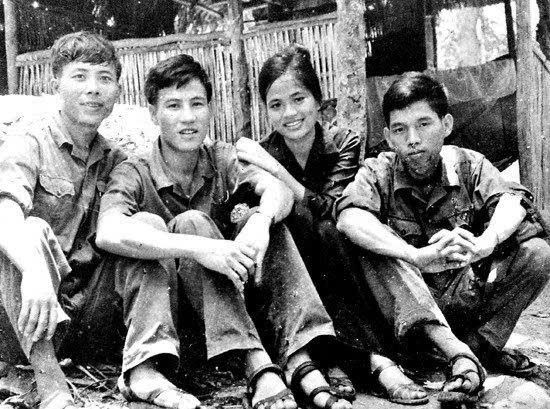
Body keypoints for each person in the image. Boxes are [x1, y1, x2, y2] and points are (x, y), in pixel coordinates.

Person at [95, 53, 353, 409]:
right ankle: (255, 365)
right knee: (190, 224)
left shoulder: (221, 158)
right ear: (153, 113)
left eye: (197, 103)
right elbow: (108, 231)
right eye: (173, 106)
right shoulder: (134, 171)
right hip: (171, 332)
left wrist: (261, 221)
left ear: (211, 109)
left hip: (228, 315)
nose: (188, 117)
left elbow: (277, 190)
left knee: (264, 219)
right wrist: (198, 248)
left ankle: (300, 354)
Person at [335, 71, 550, 402]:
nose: (413, 139)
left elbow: (514, 200)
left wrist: (485, 243)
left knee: (538, 253)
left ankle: (480, 349)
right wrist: (413, 255)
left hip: (463, 295)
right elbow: (349, 217)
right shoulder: (379, 171)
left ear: (446, 124)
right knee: (371, 244)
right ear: (388, 137)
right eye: (400, 129)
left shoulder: (467, 164)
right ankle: (454, 354)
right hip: (405, 312)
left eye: (424, 124)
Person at [235, 45, 428, 405]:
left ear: (317, 99)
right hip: (293, 279)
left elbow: (330, 209)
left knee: (329, 228)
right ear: (265, 110)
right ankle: (353, 360)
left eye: (299, 99)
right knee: (282, 227)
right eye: (276, 105)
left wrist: (275, 170)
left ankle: (361, 357)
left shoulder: (343, 142)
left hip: (342, 265)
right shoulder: (259, 152)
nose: (290, 113)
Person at [0, 32, 126, 409]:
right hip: (19, 312)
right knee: (29, 229)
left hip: (80, 315)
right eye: (80, 76)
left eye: (105, 78)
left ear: (117, 90)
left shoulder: (116, 160)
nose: (93, 89)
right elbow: (4, 213)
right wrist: (35, 271)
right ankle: (50, 385)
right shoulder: (29, 141)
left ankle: (146, 368)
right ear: (55, 83)